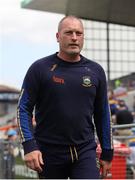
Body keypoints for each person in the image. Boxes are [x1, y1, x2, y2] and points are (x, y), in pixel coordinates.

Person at [17, 15, 113, 179]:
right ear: (57, 37)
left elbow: (102, 112)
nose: (74, 38)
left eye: (79, 33)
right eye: (69, 32)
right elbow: (23, 108)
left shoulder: (96, 71)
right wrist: (29, 145)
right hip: (49, 153)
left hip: (85, 151)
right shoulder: (40, 68)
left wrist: (107, 151)